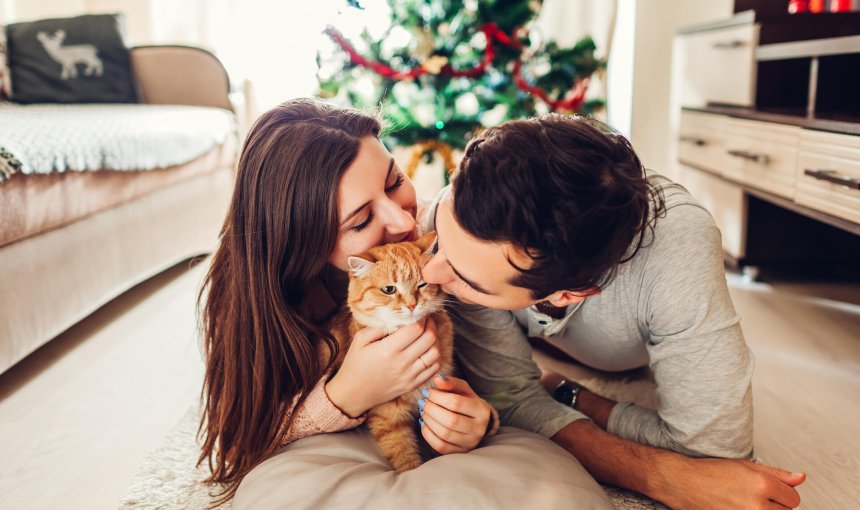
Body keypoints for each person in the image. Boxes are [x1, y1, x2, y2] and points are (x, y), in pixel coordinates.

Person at [196, 98, 615, 509]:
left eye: (395, 181)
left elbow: (494, 376)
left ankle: (565, 385)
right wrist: (347, 393)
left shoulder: (436, 238)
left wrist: (479, 416)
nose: (402, 221)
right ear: (301, 241)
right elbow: (241, 437)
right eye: (360, 221)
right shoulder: (253, 298)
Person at [419, 113, 807, 509]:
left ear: (571, 294)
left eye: (467, 280)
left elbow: (714, 451)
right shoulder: (457, 219)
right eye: (439, 245)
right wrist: (662, 477)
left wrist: (577, 397)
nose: (428, 272)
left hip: (624, 342)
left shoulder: (676, 252)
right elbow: (512, 399)